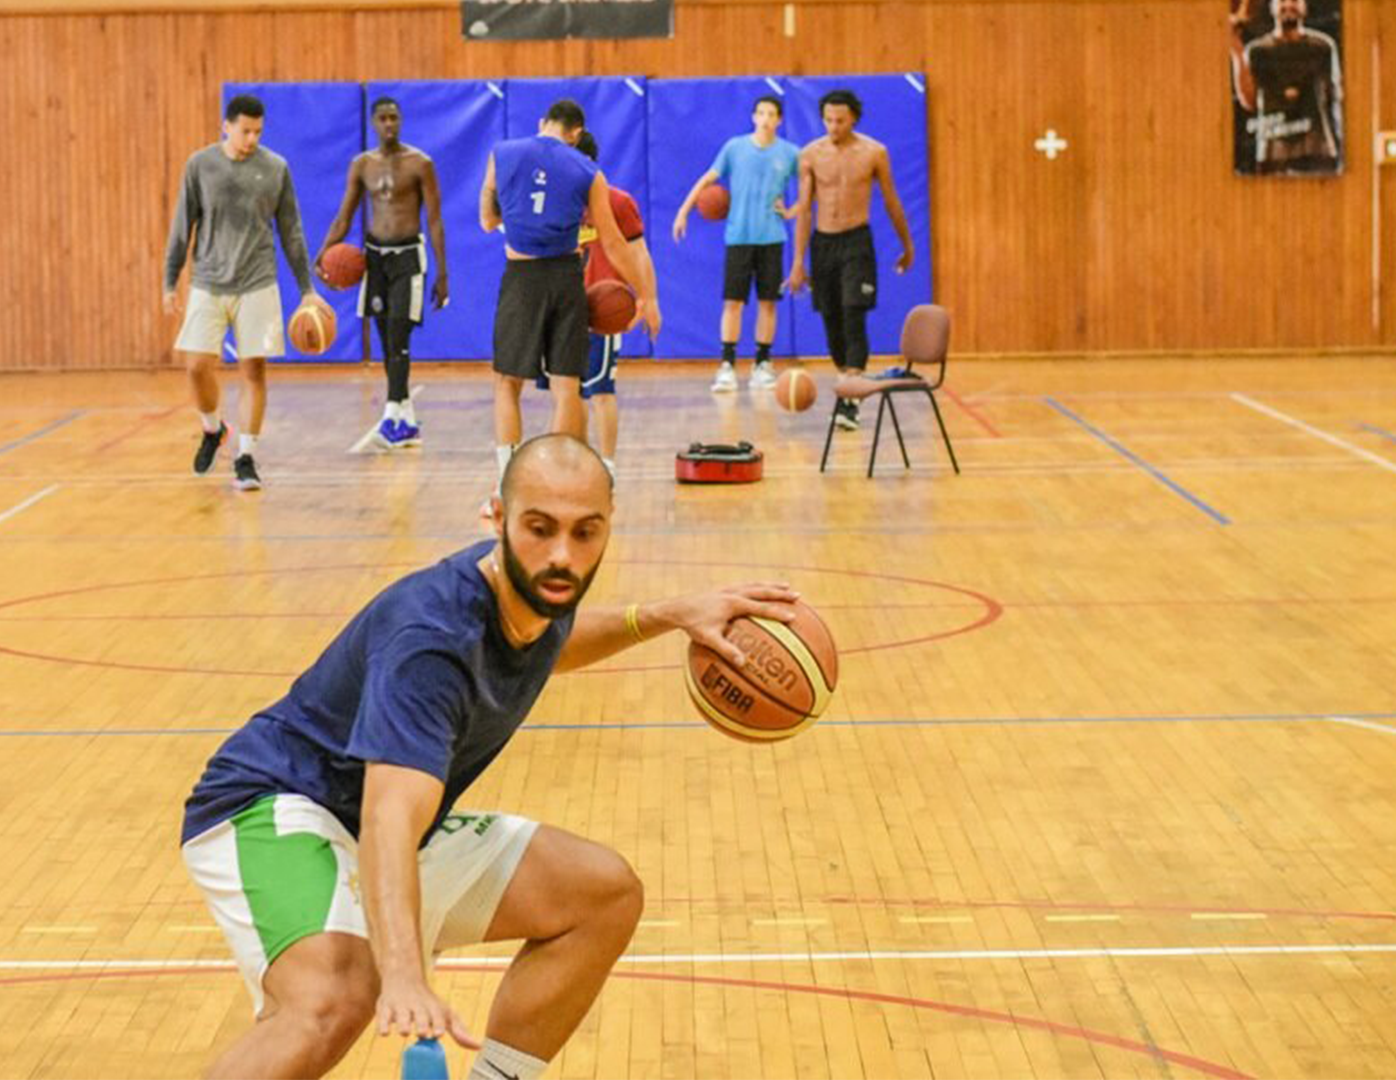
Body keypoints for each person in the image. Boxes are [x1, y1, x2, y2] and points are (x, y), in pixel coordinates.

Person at [179, 433, 799, 1080]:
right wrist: (404, 975)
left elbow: (552, 641)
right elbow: (388, 817)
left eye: (586, 532)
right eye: (540, 528)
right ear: (497, 519)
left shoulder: (534, 589)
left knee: (602, 895)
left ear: (609, 526)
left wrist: (666, 615)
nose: (562, 553)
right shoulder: (431, 642)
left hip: (371, 820)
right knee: (332, 1000)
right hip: (276, 805)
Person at [480, 100, 660, 505]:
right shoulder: (588, 171)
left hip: (522, 278)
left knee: (507, 383)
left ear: (543, 123)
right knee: (567, 386)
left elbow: (487, 220)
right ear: (577, 133)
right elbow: (613, 244)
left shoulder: (502, 153)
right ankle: (560, 481)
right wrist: (646, 297)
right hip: (566, 277)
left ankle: (508, 487)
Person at [164, 94, 323, 492]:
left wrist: (307, 290)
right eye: (244, 131)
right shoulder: (200, 165)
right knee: (196, 365)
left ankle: (246, 457)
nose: (251, 139)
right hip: (209, 281)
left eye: (257, 132)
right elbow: (183, 225)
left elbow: (291, 231)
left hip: (257, 281)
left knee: (253, 371)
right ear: (226, 126)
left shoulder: (274, 168)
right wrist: (170, 280)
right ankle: (213, 428)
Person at [315, 97, 450, 452]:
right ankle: (407, 420)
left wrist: (443, 272)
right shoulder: (362, 165)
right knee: (384, 340)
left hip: (408, 258)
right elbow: (344, 216)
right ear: (373, 123)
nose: (389, 124)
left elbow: (435, 219)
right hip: (375, 259)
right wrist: (325, 252)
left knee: (398, 335)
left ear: (401, 120)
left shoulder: (420, 163)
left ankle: (391, 417)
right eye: (383, 118)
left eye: (394, 118)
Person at [784, 89, 917, 430]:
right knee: (832, 321)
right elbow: (804, 212)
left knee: (853, 315)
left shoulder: (874, 152)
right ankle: (849, 384)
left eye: (840, 120)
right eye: (828, 119)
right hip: (823, 244)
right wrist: (798, 262)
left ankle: (849, 401)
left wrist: (907, 244)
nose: (833, 126)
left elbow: (891, 201)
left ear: (854, 118)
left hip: (857, 241)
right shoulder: (810, 154)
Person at [533, 131, 657, 483]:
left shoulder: (616, 202)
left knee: (601, 391)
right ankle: (573, 460)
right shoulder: (551, 203)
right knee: (565, 394)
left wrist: (650, 299)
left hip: (601, 310)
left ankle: (608, 465)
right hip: (559, 307)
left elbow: (638, 252)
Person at [673, 96, 800, 393]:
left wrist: (794, 210)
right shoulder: (735, 148)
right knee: (733, 303)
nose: (766, 118)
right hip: (739, 238)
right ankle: (727, 365)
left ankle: (762, 364)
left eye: (771, 114)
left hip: (772, 238)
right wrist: (683, 211)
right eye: (761, 113)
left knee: (768, 303)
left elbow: (814, 183)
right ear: (754, 117)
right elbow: (707, 179)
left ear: (779, 120)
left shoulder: (790, 153)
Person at [1229, 0, 1343, 175]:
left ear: (1305, 6)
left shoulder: (1323, 47)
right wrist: (1236, 51)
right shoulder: (1257, 51)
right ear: (1272, 7)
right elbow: (1249, 102)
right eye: (1282, 1)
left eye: (1296, 0)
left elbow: (1336, 100)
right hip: (1273, 153)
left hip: (1318, 151)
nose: (1289, 5)